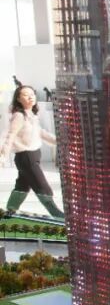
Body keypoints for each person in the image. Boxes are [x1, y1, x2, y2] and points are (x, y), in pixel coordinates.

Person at [1, 85, 63, 217]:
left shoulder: (31, 115)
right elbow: (10, 136)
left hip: (33, 156)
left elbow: (41, 133)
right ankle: (58, 216)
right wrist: (3, 156)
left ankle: (9, 213)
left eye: (32, 94)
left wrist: (61, 142)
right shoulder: (19, 116)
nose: (30, 97)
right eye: (25, 95)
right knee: (42, 186)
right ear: (18, 99)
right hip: (26, 157)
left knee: (22, 186)